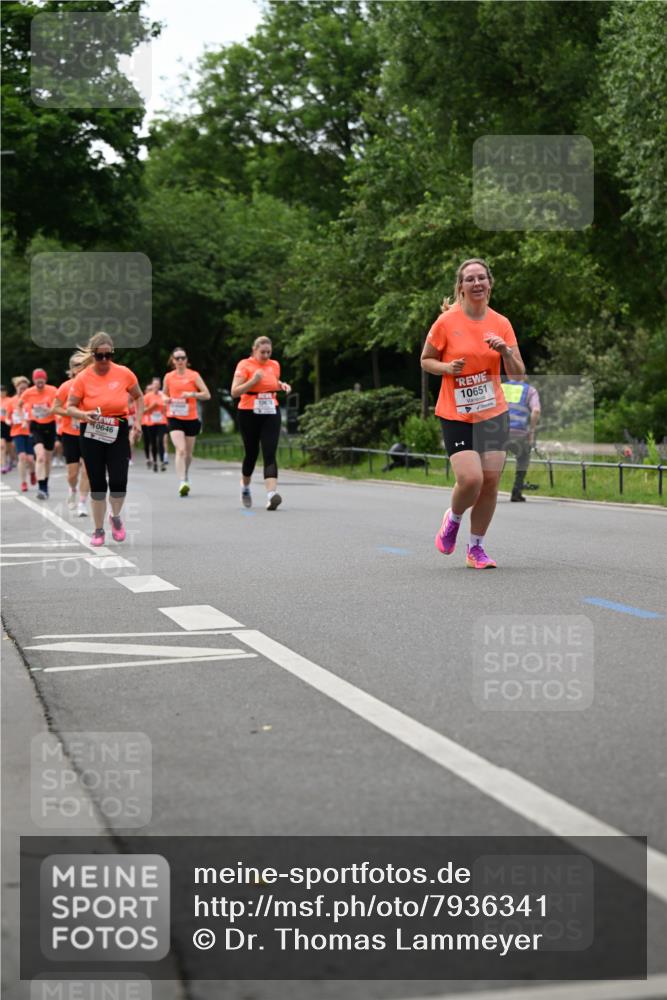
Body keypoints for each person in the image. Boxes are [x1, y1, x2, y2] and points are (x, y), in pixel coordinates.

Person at [421, 258, 526, 569]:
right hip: (456, 413)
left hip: (492, 412)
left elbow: (518, 376)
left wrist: (505, 352)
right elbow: (426, 360)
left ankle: (476, 549)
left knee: (491, 480)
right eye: (470, 279)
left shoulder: (501, 323)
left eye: (482, 278)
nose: (477, 283)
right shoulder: (446, 323)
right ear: (461, 287)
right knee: (471, 479)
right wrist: (446, 368)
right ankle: (452, 519)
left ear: (489, 284)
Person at [66, 332, 144, 547]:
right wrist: (84, 414)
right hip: (91, 432)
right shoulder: (83, 378)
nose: (104, 361)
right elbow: (69, 407)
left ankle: (116, 517)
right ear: (92, 355)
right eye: (99, 357)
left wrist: (137, 422)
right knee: (98, 483)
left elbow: (138, 396)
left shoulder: (124, 373)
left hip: (117, 429)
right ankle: (98, 529)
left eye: (108, 356)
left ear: (112, 354)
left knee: (119, 480)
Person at [231, 336, 291, 510]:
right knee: (251, 453)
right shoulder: (244, 365)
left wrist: (282, 386)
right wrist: (253, 380)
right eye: (262, 352)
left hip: (270, 411)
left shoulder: (275, 365)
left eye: (268, 352)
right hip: (248, 412)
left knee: (269, 452)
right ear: (254, 350)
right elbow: (234, 392)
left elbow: (271, 383)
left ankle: (271, 495)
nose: (266, 355)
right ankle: (245, 487)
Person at [163, 348, 210, 496]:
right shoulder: (168, 377)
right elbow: (163, 394)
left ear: (186, 360)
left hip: (191, 418)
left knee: (188, 454)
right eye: (177, 358)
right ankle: (182, 481)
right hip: (174, 416)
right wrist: (166, 399)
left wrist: (191, 394)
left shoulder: (194, 375)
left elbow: (207, 394)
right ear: (173, 360)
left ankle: (185, 474)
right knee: (181, 450)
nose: (180, 361)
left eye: (183, 358)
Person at [52, 354, 90, 516]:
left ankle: (82, 502)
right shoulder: (66, 387)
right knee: (72, 473)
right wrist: (73, 413)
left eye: (82, 364)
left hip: (89, 432)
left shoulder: (92, 386)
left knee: (88, 470)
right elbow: (55, 408)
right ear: (71, 368)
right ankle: (72, 489)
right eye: (76, 365)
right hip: (70, 434)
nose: (79, 367)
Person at [501, 377, 541, 502]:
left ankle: (486, 491)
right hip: (519, 433)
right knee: (523, 459)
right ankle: (516, 492)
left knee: (497, 462)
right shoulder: (529, 390)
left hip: (498, 432)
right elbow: (536, 410)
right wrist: (532, 431)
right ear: (524, 376)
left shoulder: (500, 387)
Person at [21, 368, 57, 500]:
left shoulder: (53, 390)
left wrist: (50, 409)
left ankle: (45, 485)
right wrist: (24, 419)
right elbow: (19, 405)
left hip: (50, 426)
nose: (39, 381)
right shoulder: (28, 393)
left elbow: (59, 405)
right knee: (40, 456)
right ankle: (41, 488)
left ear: (45, 379)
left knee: (47, 459)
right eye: (37, 378)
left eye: (41, 378)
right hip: (36, 426)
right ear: (34, 380)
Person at [5, 376, 36, 492]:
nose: (22, 391)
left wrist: (28, 421)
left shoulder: (31, 400)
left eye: (25, 389)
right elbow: (7, 418)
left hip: (29, 432)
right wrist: (9, 422)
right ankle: (23, 482)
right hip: (17, 432)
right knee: (22, 457)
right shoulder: (11, 401)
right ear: (16, 388)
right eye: (20, 388)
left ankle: (33, 472)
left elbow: (36, 415)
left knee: (31, 459)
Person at [143, 377, 168, 471]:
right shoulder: (147, 396)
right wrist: (151, 407)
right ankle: (154, 462)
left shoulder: (163, 395)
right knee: (153, 443)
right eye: (154, 385)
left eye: (158, 385)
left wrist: (162, 406)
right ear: (152, 385)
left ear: (160, 386)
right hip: (151, 423)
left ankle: (162, 461)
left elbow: (167, 408)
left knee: (161, 441)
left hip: (162, 422)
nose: (156, 386)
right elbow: (143, 411)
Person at [0, 384, 15, 474]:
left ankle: (11, 460)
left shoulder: (10, 400)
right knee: (2, 446)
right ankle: (3, 464)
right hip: (0, 423)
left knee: (9, 446)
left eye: (3, 391)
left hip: (8, 424)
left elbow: (14, 411)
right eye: (0, 391)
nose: (2, 392)